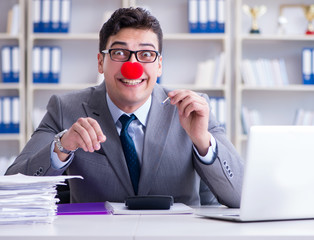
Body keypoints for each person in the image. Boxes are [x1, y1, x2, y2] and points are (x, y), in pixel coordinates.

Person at [6, 7, 243, 207]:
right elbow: (12, 190)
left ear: (159, 66)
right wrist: (61, 147)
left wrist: (203, 141)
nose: (133, 66)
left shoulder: (193, 111)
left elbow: (242, 196)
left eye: (146, 54)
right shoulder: (65, 108)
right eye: (119, 52)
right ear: (101, 62)